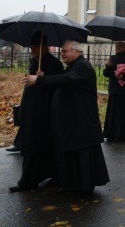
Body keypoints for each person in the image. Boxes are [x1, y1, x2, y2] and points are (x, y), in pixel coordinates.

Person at [22, 40, 109, 195]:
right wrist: (43, 77)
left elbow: (66, 80)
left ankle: (82, 188)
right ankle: (73, 185)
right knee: (73, 154)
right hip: (74, 119)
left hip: (82, 119)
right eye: (61, 52)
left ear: (77, 51)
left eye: (65, 51)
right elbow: (59, 79)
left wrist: (40, 79)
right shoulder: (73, 66)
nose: (62, 54)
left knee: (81, 154)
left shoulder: (83, 66)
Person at [9, 33, 64, 193]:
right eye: (31, 47)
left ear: (43, 47)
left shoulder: (55, 64)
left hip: (44, 112)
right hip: (32, 110)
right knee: (32, 145)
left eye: (35, 47)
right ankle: (32, 179)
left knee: (41, 146)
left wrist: (43, 78)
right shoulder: (34, 62)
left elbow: (58, 86)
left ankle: (30, 181)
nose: (32, 50)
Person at [102, 41, 125, 142]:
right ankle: (111, 133)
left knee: (123, 112)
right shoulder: (112, 58)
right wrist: (108, 66)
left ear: (124, 48)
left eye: (120, 46)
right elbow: (106, 74)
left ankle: (122, 134)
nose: (117, 48)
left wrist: (123, 76)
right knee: (112, 112)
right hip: (114, 89)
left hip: (124, 90)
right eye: (116, 46)